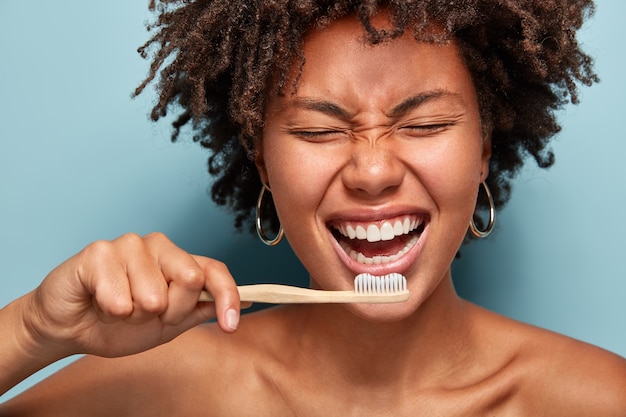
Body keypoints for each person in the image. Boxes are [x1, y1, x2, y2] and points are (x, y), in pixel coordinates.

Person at [1, 0, 625, 415]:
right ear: (263, 159)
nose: (373, 172)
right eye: (318, 132)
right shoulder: (162, 387)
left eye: (426, 122)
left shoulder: (597, 399)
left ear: (484, 148)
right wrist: (31, 331)